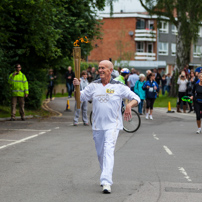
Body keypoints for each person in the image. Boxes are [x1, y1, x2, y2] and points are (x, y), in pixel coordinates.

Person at [73, 60, 140, 194]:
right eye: (99, 68)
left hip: (113, 125)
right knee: (100, 154)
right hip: (97, 126)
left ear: (110, 70)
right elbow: (79, 98)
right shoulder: (93, 85)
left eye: (103, 68)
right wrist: (76, 87)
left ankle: (106, 181)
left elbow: (136, 98)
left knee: (108, 150)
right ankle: (105, 174)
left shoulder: (118, 86)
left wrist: (128, 105)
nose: (101, 70)